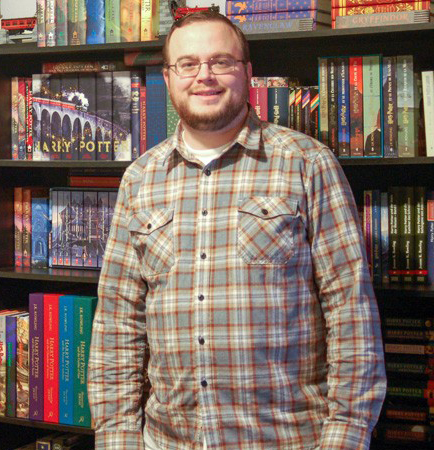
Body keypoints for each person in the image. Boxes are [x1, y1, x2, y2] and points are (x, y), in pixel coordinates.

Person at [87, 10, 386, 450]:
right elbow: (117, 324)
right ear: (169, 78)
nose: (204, 76)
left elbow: (350, 313)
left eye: (221, 62)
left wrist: (345, 438)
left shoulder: (307, 164)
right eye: (187, 64)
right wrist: (116, 438)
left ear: (247, 73)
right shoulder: (140, 178)